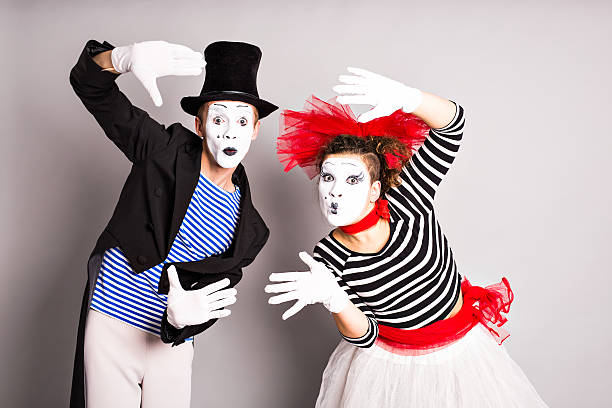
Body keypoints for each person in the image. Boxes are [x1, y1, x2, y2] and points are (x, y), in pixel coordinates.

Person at [265, 67, 548, 407]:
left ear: (375, 190)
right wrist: (335, 299)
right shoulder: (327, 255)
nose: (335, 192)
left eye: (351, 180)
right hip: (389, 370)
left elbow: (452, 125)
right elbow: (365, 336)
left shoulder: (407, 200)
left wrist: (409, 99)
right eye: (328, 178)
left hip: (462, 355)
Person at [69, 39, 277, 408]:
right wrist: (118, 59)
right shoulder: (162, 150)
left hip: (170, 343)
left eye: (243, 120)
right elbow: (89, 86)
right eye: (219, 119)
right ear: (199, 125)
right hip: (111, 327)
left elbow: (207, 303)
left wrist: (183, 323)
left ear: (256, 129)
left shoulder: (251, 232)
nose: (230, 132)